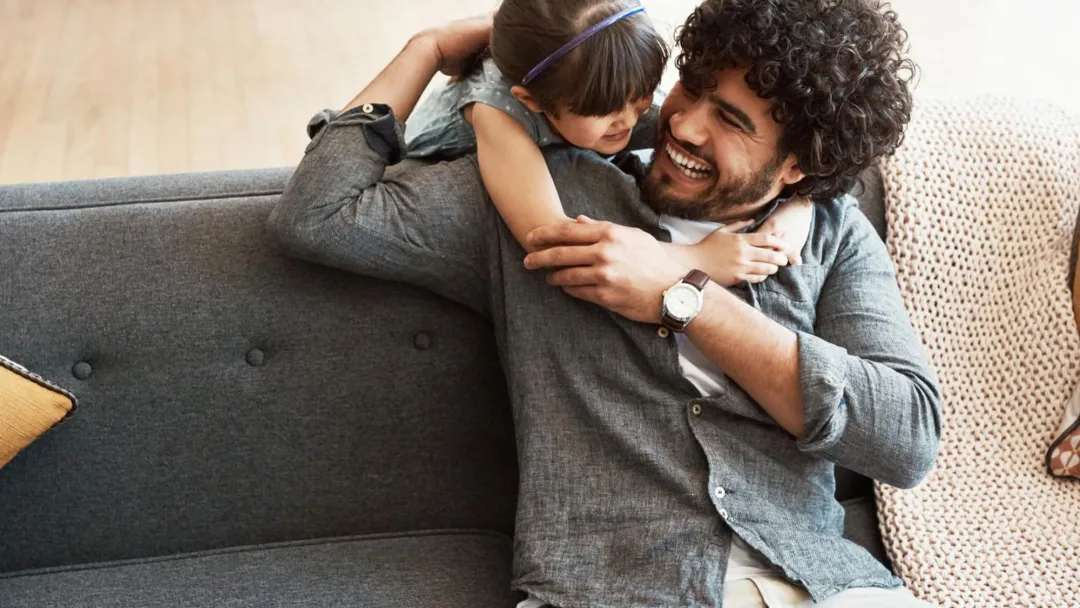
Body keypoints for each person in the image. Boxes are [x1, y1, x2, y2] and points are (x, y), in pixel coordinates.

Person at [268, 1, 943, 606]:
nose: (684, 126)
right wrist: (427, 49)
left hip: (825, 585)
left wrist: (685, 298)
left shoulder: (827, 232)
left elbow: (906, 438)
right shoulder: (538, 198)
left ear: (799, 165)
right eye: (693, 87)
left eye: (730, 120)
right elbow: (318, 215)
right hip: (612, 589)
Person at [406, 0, 814, 287]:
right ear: (532, 102)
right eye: (606, 112)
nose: (631, 119)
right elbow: (553, 238)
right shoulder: (498, 116)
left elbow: (801, 158)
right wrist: (696, 259)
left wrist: (799, 204)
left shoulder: (608, 83)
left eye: (642, 95)